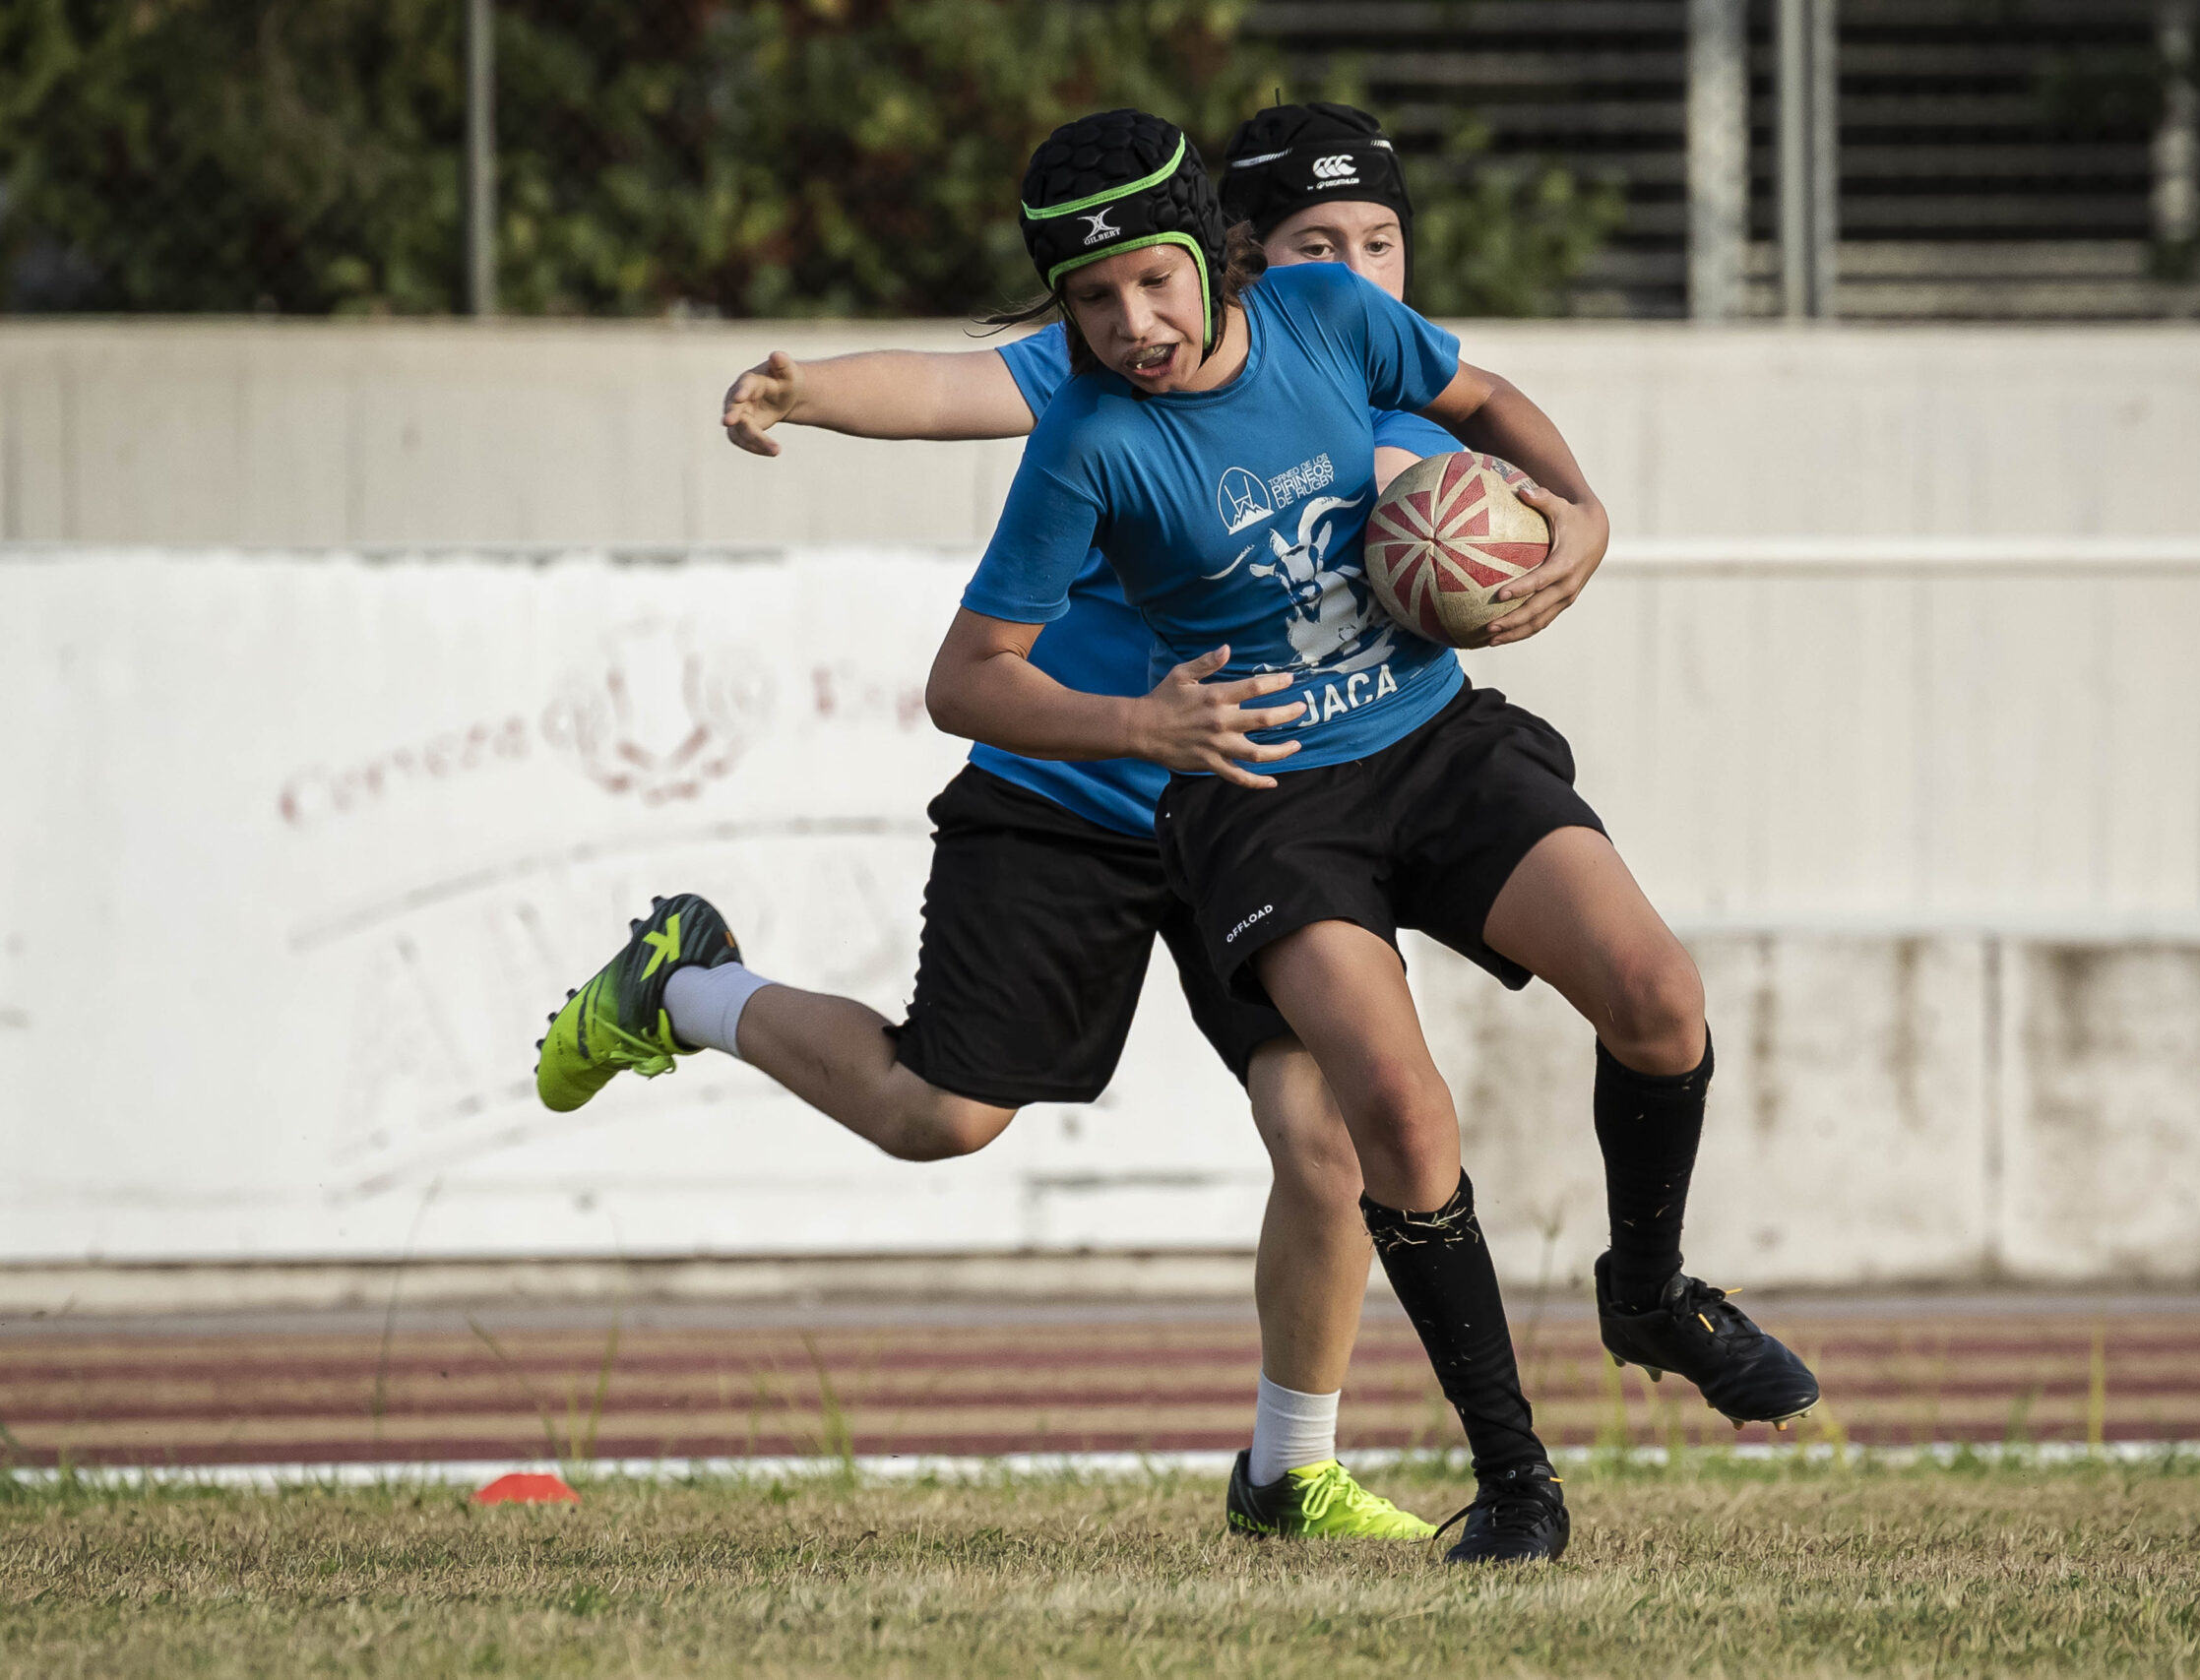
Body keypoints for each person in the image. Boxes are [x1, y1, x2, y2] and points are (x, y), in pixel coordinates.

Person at [537, 106, 1487, 1546]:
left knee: (1330, 1138)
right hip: (1076, 797)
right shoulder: (1124, 361)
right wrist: (803, 389)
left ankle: (1288, 1470)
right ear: (1242, 260)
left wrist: (1517, 548)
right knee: (940, 1115)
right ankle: (688, 980)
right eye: (1317, 247)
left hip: (1257, 815)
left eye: (1378, 244)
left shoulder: (1366, 378)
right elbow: (953, 386)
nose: (1354, 269)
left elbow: (1447, 537)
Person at [922, 109, 1820, 1564]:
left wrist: (1583, 518)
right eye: (1091, 301)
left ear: (1214, 254)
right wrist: (1141, 726)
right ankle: (1516, 1478)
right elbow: (968, 678)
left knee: (1657, 997)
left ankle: (1647, 1294)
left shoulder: (1330, 313)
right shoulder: (1086, 445)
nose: (1131, 323)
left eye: (1153, 282)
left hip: (1436, 740)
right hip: (1268, 803)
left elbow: (1491, 401)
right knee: (1394, 1121)